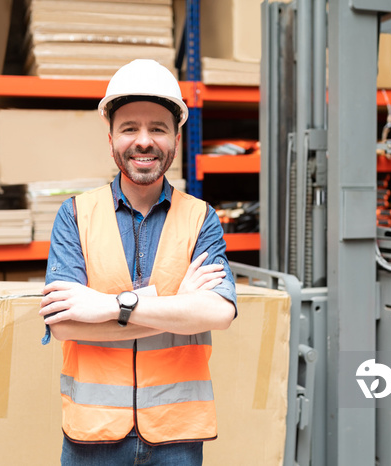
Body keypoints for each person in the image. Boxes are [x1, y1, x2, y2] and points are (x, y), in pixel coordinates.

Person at [39, 59, 237, 466]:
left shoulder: (201, 217)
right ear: (110, 138)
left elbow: (218, 313)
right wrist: (179, 308)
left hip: (177, 434)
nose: (144, 141)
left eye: (158, 128)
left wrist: (110, 306)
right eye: (130, 128)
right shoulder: (75, 215)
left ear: (176, 139)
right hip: (92, 437)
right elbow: (62, 323)